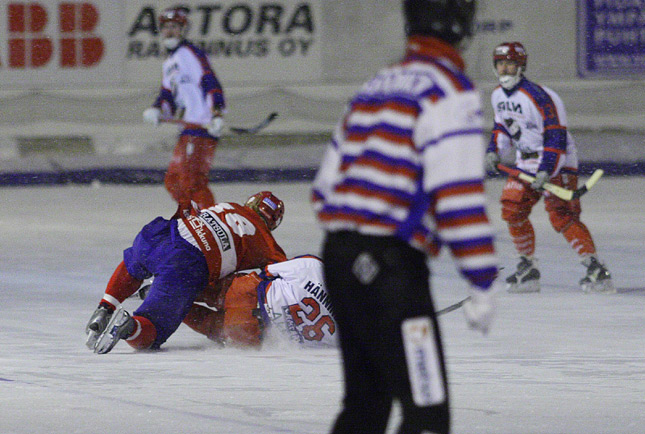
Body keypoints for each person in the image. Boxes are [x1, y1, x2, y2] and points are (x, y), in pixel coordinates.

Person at [311, 1, 499, 433]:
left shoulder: (376, 85)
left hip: (338, 259)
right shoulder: (449, 91)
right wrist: (481, 280)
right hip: (392, 270)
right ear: (461, 25)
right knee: (427, 411)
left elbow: (324, 187)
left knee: (365, 405)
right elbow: (458, 197)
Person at [85, 191, 287, 354]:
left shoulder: (231, 205)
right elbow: (290, 274)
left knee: (134, 265)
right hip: (186, 262)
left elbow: (190, 209)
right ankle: (130, 327)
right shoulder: (266, 242)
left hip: (163, 233)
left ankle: (105, 306)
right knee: (155, 331)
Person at [485, 41, 614, 294]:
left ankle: (596, 268)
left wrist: (546, 170)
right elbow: (502, 126)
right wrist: (494, 150)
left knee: (562, 214)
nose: (504, 70)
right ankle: (528, 267)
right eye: (500, 64)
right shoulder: (497, 96)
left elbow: (556, 136)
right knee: (512, 210)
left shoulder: (541, 97)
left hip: (557, 159)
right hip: (526, 161)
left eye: (510, 64)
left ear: (521, 66)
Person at [142, 7, 226, 209]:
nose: (169, 31)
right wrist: (157, 109)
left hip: (202, 126)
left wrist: (216, 113)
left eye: (174, 27)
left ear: (183, 29)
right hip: (189, 128)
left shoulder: (190, 53)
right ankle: (193, 220)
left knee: (192, 180)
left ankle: (209, 226)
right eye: (166, 27)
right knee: (173, 180)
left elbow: (209, 81)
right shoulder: (169, 62)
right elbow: (168, 94)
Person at [181, 255, 338, 348]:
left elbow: (270, 270)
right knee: (208, 323)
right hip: (253, 335)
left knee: (205, 291)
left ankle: (165, 293)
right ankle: (173, 309)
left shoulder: (314, 265)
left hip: (249, 294)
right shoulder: (340, 337)